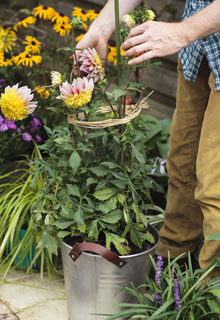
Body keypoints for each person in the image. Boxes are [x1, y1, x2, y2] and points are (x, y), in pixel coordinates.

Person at [76, 0, 220, 277]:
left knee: (215, 188)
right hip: (200, 46)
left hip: (193, 33)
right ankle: (170, 269)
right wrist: (102, 27)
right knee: (182, 166)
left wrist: (182, 32)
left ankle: (210, 296)